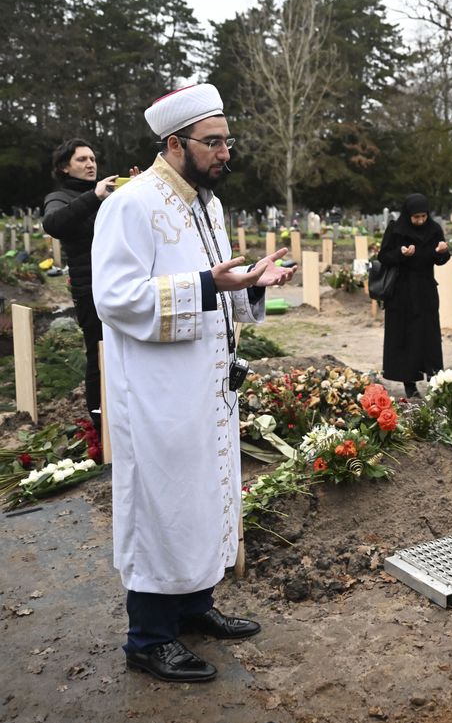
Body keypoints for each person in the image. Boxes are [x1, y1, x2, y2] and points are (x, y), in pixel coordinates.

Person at [91, 83, 295, 682]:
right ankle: (149, 637)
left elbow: (221, 285)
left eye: (227, 141)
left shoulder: (207, 204)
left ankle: (195, 606)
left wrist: (253, 283)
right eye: (213, 143)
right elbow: (115, 299)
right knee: (163, 504)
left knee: (205, 496)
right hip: (158, 394)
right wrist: (210, 285)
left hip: (206, 386)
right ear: (175, 143)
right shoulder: (130, 205)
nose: (225, 153)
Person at [42, 138, 119, 433]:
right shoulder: (59, 197)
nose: (90, 164)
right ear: (64, 167)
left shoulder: (106, 195)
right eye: (81, 160)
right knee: (98, 355)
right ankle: (101, 425)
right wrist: (95, 197)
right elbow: (54, 224)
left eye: (92, 159)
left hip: (121, 285)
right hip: (91, 293)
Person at [379, 194, 451, 399]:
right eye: (416, 217)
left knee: (428, 336)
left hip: (425, 289)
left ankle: (435, 379)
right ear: (408, 214)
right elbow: (383, 256)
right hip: (401, 292)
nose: (420, 221)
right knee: (406, 337)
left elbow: (441, 259)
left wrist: (442, 252)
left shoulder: (434, 229)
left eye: (423, 216)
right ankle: (409, 382)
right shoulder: (396, 229)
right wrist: (401, 253)